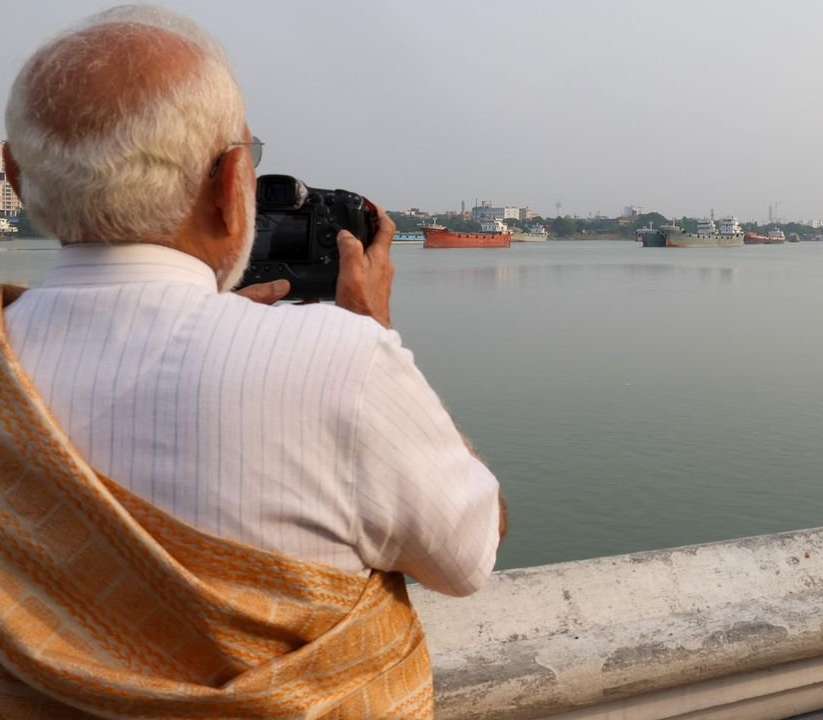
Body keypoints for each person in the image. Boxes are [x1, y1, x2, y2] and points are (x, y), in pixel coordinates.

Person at [0, 5, 503, 717]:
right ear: (232, 182)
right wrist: (377, 344)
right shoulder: (342, 365)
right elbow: (467, 558)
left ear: (15, 176)